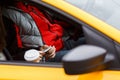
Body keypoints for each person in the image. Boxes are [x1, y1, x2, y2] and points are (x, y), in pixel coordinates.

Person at [1, 0, 85, 62]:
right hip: (44, 58)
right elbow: (12, 53)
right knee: (86, 58)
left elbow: (54, 20)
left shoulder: (32, 4)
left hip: (59, 43)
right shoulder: (6, 17)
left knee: (94, 39)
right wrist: (37, 51)